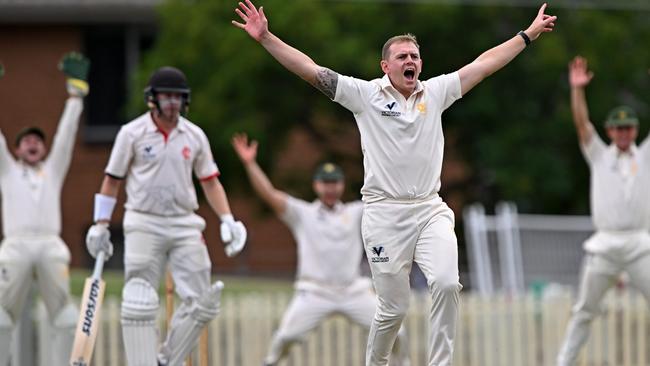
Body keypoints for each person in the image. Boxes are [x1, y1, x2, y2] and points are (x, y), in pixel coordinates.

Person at [232, 1, 556, 365]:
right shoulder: (365, 95)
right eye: (402, 56)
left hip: (429, 208)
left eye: (415, 56)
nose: (410, 62)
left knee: (447, 283)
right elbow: (311, 71)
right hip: (384, 214)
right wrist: (266, 38)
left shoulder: (435, 93)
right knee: (392, 310)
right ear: (385, 66)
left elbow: (482, 65)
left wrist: (526, 36)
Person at [84, 66, 247, 366]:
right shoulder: (131, 133)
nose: (172, 102)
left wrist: (227, 219)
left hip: (185, 222)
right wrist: (100, 224)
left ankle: (164, 361)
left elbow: (210, 181)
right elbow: (112, 180)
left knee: (203, 301)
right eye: (166, 96)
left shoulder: (194, 135)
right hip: (143, 221)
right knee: (139, 296)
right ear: (153, 99)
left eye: (177, 97)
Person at [232, 133, 410, 366]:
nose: (330, 188)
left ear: (341, 185)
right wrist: (250, 163)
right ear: (316, 185)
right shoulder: (303, 214)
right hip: (314, 291)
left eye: (334, 183)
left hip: (352, 290)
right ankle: (272, 362)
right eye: (325, 183)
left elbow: (387, 197)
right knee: (287, 336)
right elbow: (269, 194)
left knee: (398, 332)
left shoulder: (355, 212)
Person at [556, 57, 650, 366]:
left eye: (629, 128)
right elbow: (582, 125)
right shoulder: (599, 155)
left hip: (640, 244)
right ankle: (563, 363)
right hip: (605, 245)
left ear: (635, 130)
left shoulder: (645, 155)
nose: (624, 133)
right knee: (584, 310)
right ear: (610, 130)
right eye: (619, 128)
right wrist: (577, 90)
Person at [0, 52, 89, 365]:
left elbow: (65, 137)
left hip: (50, 243)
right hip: (15, 243)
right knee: (0, 315)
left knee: (64, 315)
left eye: (38, 140)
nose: (33, 143)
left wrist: (75, 95)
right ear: (16, 149)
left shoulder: (53, 170)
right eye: (26, 141)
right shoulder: (7, 170)